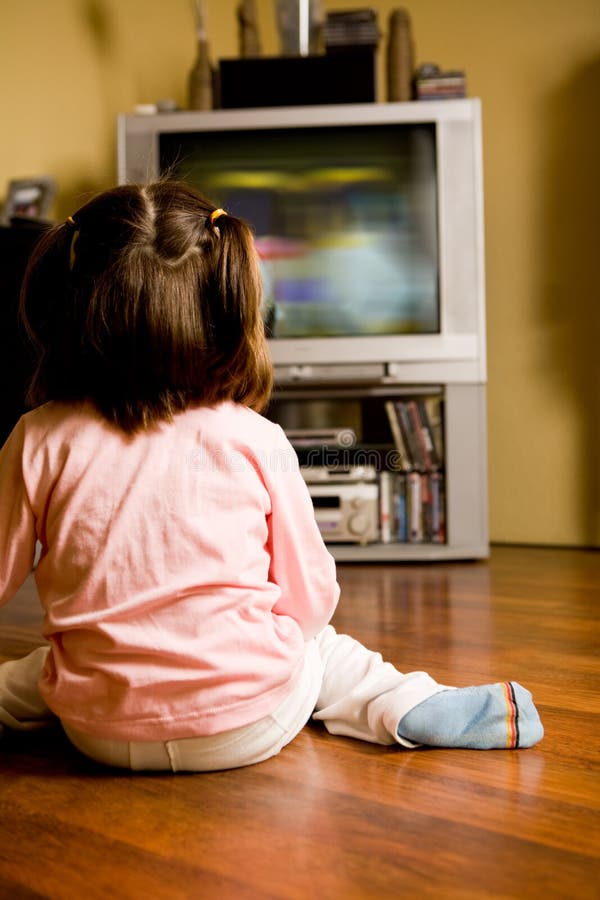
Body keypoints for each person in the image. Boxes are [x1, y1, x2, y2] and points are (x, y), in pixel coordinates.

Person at [0, 182, 543, 771]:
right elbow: (311, 599)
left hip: (95, 730)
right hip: (247, 724)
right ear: (230, 309)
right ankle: (407, 703)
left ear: (66, 306)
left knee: (52, 662)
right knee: (323, 648)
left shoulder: (37, 438)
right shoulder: (255, 438)